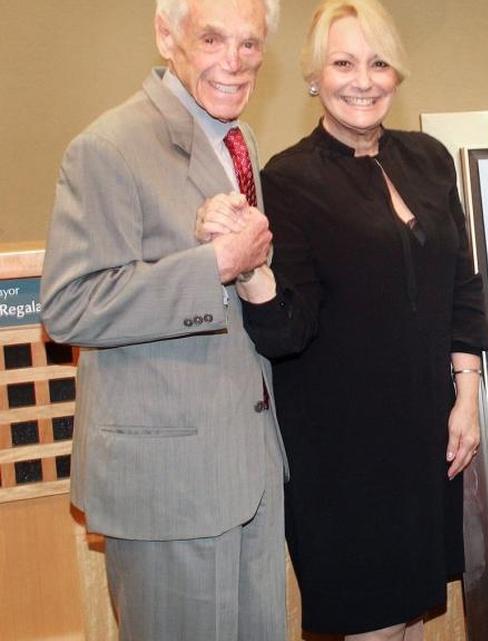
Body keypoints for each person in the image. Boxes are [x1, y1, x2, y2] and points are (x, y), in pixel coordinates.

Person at [220, 1, 488, 639]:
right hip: (341, 455)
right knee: (373, 621)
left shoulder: (429, 159)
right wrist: (252, 274)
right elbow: (289, 330)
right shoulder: (288, 180)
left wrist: (467, 397)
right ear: (315, 76)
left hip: (427, 436)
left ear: (397, 73)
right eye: (343, 63)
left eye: (377, 63)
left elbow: (462, 285)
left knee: (411, 616)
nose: (362, 80)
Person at [39, 0, 286, 639]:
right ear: (165, 34)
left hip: (249, 470)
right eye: (212, 38)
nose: (234, 63)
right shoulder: (106, 147)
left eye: (250, 44)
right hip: (168, 488)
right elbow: (69, 306)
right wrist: (212, 265)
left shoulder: (240, 139)